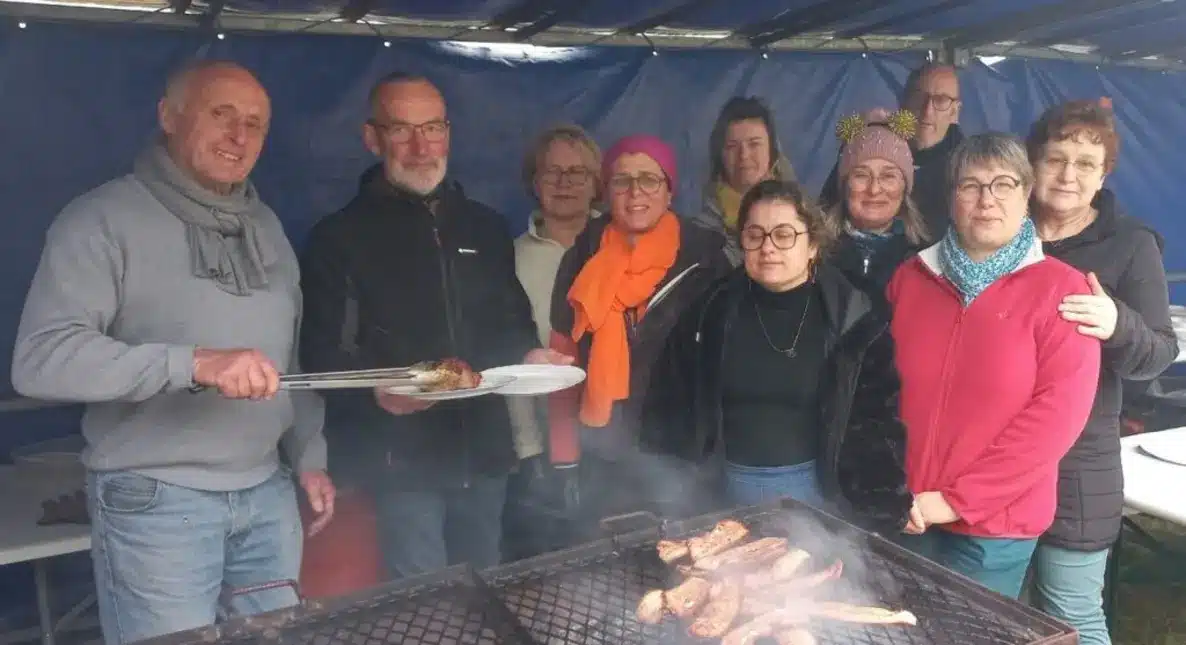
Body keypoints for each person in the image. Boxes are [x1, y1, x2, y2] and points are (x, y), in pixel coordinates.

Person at [10, 60, 334, 645]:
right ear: (169, 116)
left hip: (267, 494)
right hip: (157, 501)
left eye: (255, 125)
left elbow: (292, 362)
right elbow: (41, 359)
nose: (239, 136)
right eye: (222, 115)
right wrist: (192, 363)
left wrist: (310, 454)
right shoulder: (100, 219)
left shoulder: (265, 226)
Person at [299, 72, 564, 579]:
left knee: (485, 588)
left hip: (486, 452)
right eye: (402, 130)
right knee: (427, 602)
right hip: (403, 464)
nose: (421, 147)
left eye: (433, 128)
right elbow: (321, 357)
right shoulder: (340, 237)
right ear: (372, 138)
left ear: (449, 132)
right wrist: (379, 389)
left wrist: (531, 355)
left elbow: (510, 318)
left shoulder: (484, 226)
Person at [887, 132, 1101, 599]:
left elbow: (1055, 420)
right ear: (951, 198)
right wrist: (888, 485)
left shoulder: (1062, 291)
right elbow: (876, 391)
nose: (987, 200)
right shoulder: (910, 279)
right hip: (906, 512)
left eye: (1003, 184)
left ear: (1026, 195)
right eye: (971, 185)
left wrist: (956, 501)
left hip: (994, 529)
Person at [640, 179, 915, 531]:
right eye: (755, 235)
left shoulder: (854, 316)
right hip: (719, 497)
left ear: (813, 244)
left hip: (818, 500)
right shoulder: (709, 310)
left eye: (784, 235)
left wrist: (885, 502)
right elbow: (668, 406)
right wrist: (663, 495)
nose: (768, 247)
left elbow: (875, 419)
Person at [1026, 99, 1178, 645]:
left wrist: (1117, 323)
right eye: (1056, 158)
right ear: (1032, 163)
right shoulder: (1004, 232)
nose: (1068, 174)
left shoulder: (1130, 244)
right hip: (1001, 455)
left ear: (1103, 174)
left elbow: (1158, 354)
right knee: (1004, 605)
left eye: (1085, 163)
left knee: (1070, 608)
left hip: (1079, 461)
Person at [547, 134, 731, 533]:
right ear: (606, 190)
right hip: (602, 452)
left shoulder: (706, 259)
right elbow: (562, 365)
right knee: (605, 570)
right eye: (622, 180)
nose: (635, 192)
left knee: (680, 568)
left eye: (649, 179)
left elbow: (727, 366)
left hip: (679, 454)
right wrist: (564, 459)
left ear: (669, 191)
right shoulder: (582, 257)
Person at [505, 124, 602, 559]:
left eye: (577, 173)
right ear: (533, 181)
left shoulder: (619, 248)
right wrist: (527, 452)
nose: (564, 183)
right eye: (552, 173)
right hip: (533, 448)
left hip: (609, 448)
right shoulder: (506, 257)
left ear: (596, 183)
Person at [822, 63, 965, 236]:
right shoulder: (864, 146)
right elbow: (826, 213)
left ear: (955, 111)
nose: (927, 111)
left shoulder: (966, 169)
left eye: (941, 100)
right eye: (919, 98)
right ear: (903, 102)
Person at [827, 107, 930, 293]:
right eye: (861, 175)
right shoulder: (814, 255)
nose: (874, 189)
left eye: (888, 176)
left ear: (904, 188)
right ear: (844, 186)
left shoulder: (926, 263)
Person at [690, 96, 798, 267]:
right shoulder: (701, 232)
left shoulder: (803, 219)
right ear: (720, 155)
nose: (744, 156)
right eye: (732, 146)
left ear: (772, 151)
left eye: (754, 144)